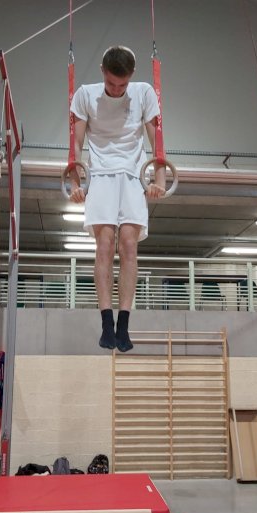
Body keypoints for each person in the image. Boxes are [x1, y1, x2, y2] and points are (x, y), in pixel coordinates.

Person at [69, 45, 166, 352]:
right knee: (104, 246)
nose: (116, 90)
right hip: (100, 175)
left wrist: (159, 181)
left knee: (128, 247)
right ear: (102, 72)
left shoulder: (144, 92)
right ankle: (106, 323)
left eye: (122, 85)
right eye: (111, 84)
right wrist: (75, 182)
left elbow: (157, 141)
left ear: (131, 78)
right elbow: (76, 143)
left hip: (133, 174)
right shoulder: (85, 95)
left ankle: (124, 325)